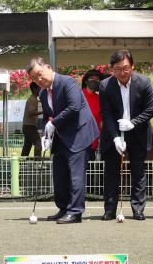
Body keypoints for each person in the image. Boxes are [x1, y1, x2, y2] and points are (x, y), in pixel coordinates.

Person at [26, 57, 99, 224]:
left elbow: (74, 107)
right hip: (60, 137)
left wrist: (53, 123)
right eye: (34, 78)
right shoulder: (43, 93)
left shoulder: (68, 82)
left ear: (48, 67)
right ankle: (64, 207)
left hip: (79, 134)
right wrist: (46, 134)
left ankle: (75, 212)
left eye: (40, 74)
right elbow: (46, 116)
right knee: (59, 175)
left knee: (76, 176)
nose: (39, 80)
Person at [98, 50, 153, 221]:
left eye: (125, 68)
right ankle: (109, 209)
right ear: (112, 69)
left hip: (138, 133)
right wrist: (116, 137)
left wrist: (133, 123)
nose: (122, 73)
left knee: (138, 171)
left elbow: (150, 109)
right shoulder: (105, 86)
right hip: (113, 134)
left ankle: (138, 209)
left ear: (132, 66)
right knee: (111, 172)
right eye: (117, 69)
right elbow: (106, 114)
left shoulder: (144, 82)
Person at [81, 69, 105, 160]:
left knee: (90, 167)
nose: (94, 80)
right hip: (78, 139)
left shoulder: (100, 99)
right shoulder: (78, 95)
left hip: (93, 139)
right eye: (91, 78)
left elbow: (100, 121)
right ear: (86, 80)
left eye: (97, 79)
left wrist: (99, 137)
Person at [21, 82, 43, 157]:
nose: (41, 89)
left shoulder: (32, 99)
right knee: (38, 143)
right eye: (39, 88)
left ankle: (22, 163)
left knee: (27, 145)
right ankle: (37, 163)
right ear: (35, 89)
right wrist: (43, 112)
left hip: (27, 126)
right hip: (30, 126)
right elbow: (31, 112)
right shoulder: (33, 99)